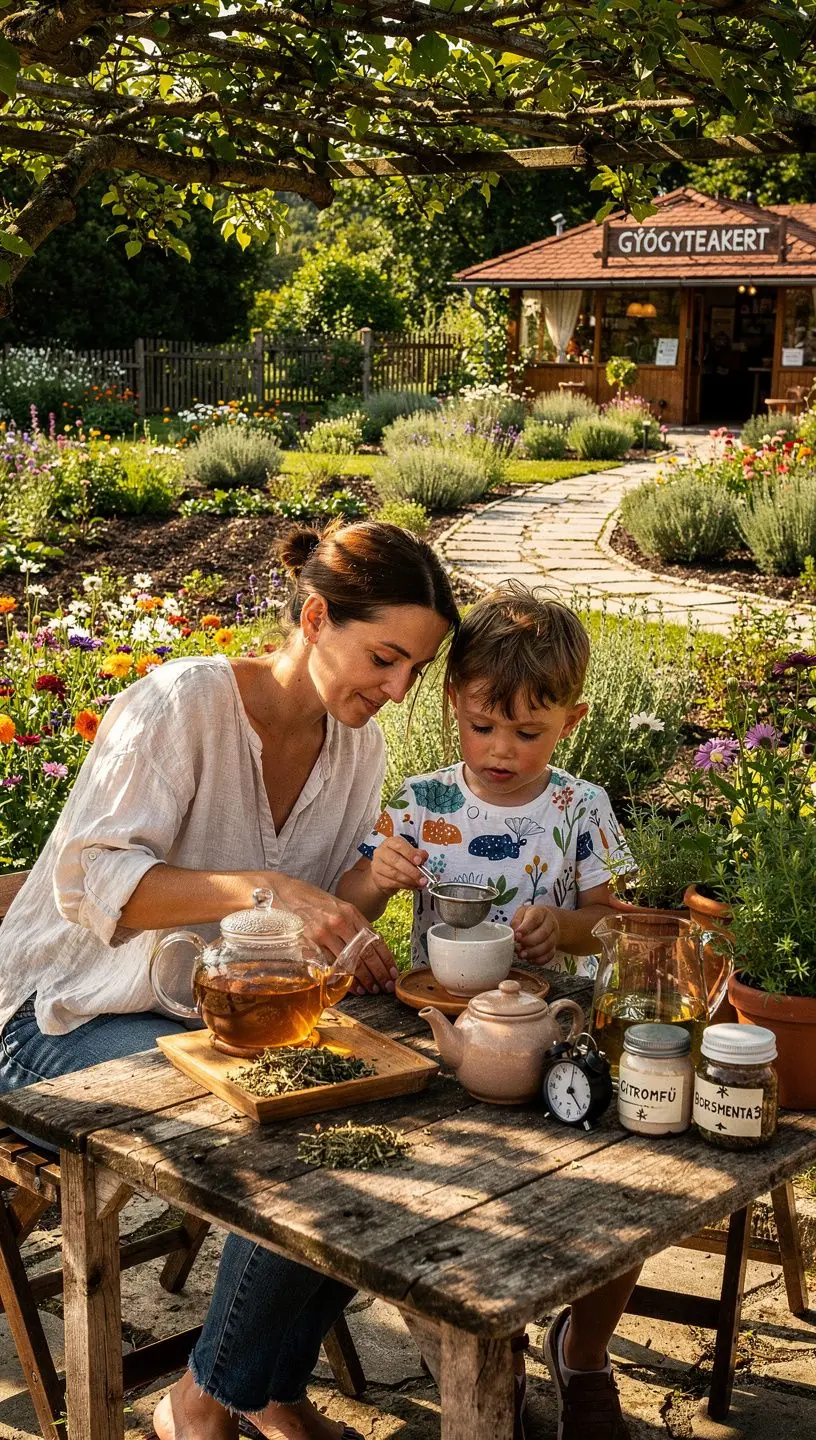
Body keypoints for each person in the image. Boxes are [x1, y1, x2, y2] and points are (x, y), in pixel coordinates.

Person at [0, 520, 459, 1440]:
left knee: (374, 1114)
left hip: (212, 1018)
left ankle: (226, 1391)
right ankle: (233, 1397)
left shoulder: (355, 749)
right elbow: (93, 883)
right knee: (296, 1141)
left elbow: (297, 920)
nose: (397, 690)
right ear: (316, 615)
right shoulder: (181, 704)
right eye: (384, 657)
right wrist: (268, 887)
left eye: (414, 671)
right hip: (62, 1016)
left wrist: (346, 920)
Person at [343, 586, 640, 1440]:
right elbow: (351, 900)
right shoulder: (425, 799)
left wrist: (567, 925)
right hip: (436, 1026)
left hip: (553, 1031)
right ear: (452, 707)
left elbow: (609, 917)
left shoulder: (579, 807)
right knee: (427, 1187)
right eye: (483, 727)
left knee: (618, 1184)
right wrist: (380, 874)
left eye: (528, 731)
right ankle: (472, 1340)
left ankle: (584, 1354)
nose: (501, 749)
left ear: (571, 721)